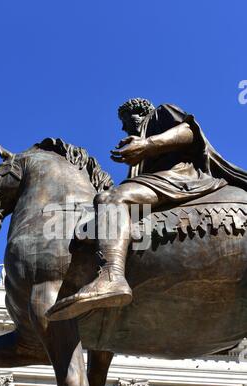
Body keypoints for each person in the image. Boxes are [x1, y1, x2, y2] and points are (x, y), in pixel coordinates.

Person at [49, 98, 247, 321]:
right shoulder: (140, 159)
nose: (124, 127)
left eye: (126, 120)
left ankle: (111, 274)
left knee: (112, 198)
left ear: (140, 113)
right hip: (161, 183)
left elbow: (188, 131)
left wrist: (147, 144)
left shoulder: (161, 113)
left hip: (179, 178)